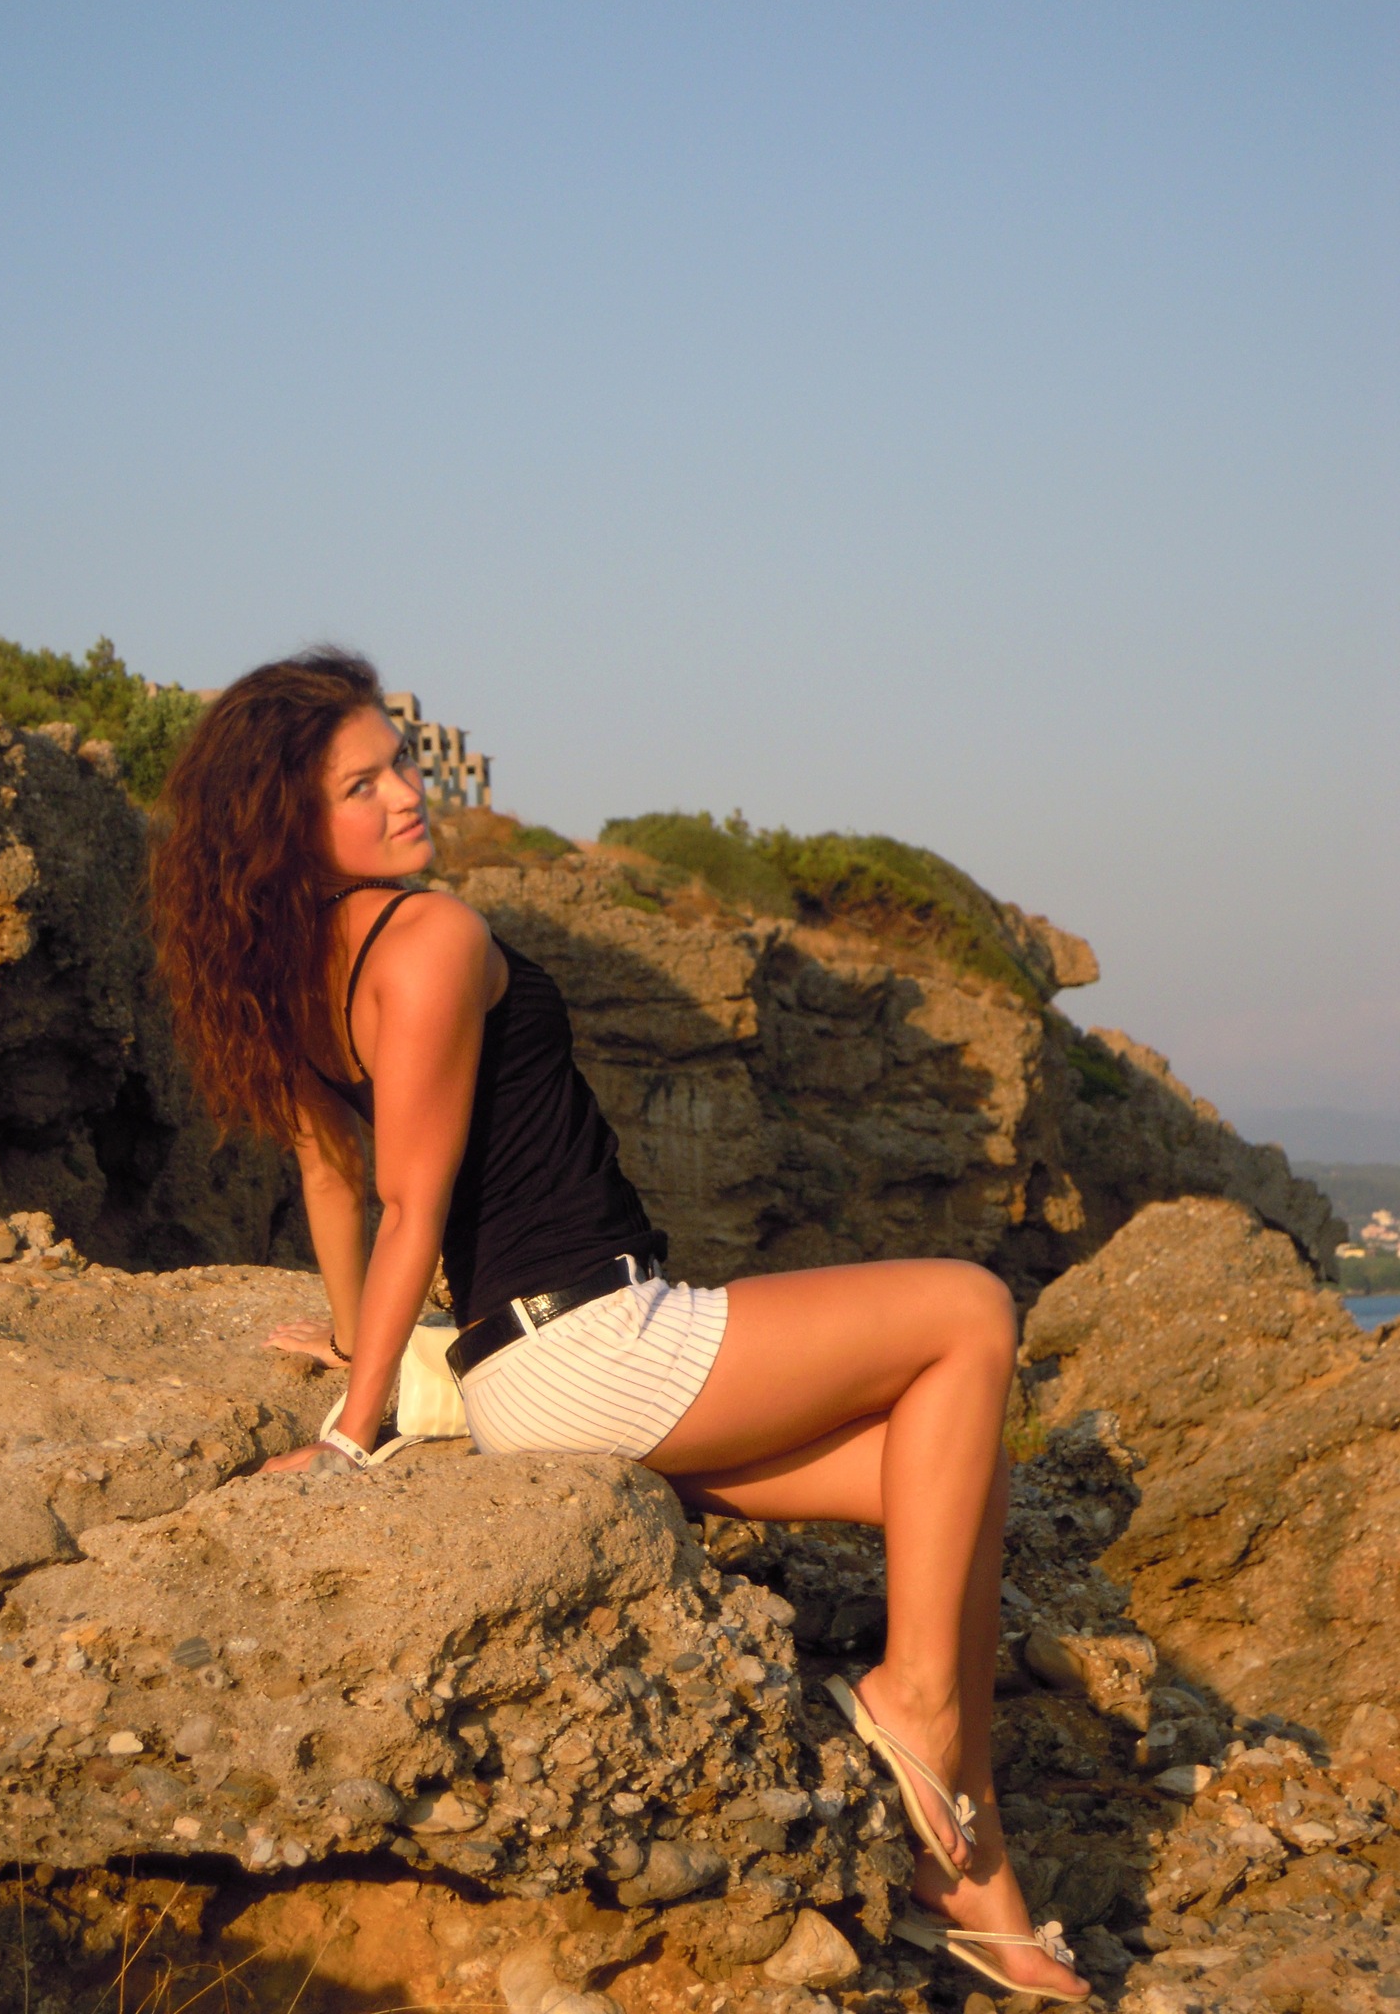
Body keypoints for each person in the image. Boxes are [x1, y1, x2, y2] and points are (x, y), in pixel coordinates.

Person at [148, 649, 1089, 2006]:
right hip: (596, 1343)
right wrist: (352, 1433)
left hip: (538, 1373)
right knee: (970, 1309)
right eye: (362, 786)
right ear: (290, 823)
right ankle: (915, 1706)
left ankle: (974, 1869)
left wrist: (370, 1352)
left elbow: (330, 1178)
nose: (406, 793)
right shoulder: (430, 936)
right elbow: (408, 1199)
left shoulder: (295, 966)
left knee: (954, 1466)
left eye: (400, 760)